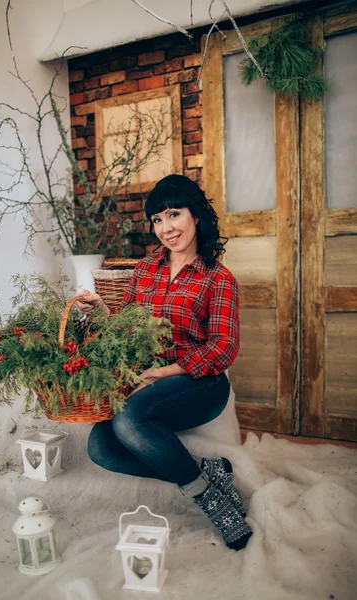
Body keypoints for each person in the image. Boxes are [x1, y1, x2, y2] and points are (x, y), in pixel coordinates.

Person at [77, 174, 253, 551]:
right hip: (152, 383)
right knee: (101, 449)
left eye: (174, 214)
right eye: (157, 219)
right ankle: (208, 475)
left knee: (129, 418)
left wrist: (168, 370)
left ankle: (212, 504)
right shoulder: (145, 271)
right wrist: (103, 309)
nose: (166, 228)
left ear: (196, 216)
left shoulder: (217, 278)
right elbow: (126, 327)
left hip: (199, 382)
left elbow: (223, 347)